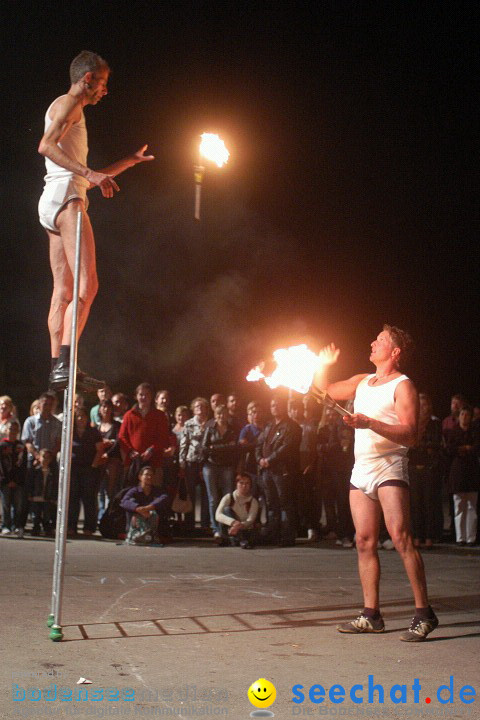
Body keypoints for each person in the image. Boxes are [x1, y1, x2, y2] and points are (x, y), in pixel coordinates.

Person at [313, 325, 438, 641]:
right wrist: (322, 365)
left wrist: (369, 423)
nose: (372, 342)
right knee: (364, 541)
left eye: (380, 340)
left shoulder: (403, 386)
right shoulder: (361, 381)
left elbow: (410, 435)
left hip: (390, 466)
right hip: (362, 470)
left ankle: (424, 613)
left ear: (395, 352)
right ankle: (371, 615)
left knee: (400, 537)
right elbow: (325, 390)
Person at [38, 50, 154, 389]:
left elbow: (83, 175)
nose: (105, 90)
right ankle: (66, 361)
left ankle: (57, 368)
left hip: (53, 201)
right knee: (87, 287)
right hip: (68, 200)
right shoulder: (69, 104)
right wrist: (91, 174)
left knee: (63, 291)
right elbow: (46, 145)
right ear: (87, 79)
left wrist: (127, 163)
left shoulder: (67, 109)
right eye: (102, 83)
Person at [255, 395, 302, 546]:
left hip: (282, 470)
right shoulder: (268, 426)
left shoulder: (292, 427)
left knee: (285, 503)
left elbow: (286, 448)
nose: (275, 407)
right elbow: (259, 443)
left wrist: (270, 459)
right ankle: (273, 534)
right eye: (273, 404)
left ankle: (287, 536)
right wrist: (259, 459)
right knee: (271, 503)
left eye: (278, 404)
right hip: (267, 471)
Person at [118, 383, 170, 487]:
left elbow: (163, 438)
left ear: (152, 397)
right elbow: (121, 436)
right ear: (136, 396)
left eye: (147, 395)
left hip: (154, 462)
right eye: (141, 394)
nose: (144, 397)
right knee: (131, 494)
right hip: (133, 463)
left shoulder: (159, 415)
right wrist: (130, 451)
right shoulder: (129, 415)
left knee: (153, 494)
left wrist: (152, 450)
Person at [201, 404, 239, 541]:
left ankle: (227, 526)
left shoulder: (232, 430)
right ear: (215, 416)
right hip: (211, 465)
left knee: (227, 497)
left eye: (224, 414)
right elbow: (204, 448)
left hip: (227, 466)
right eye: (218, 414)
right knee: (213, 499)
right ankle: (216, 528)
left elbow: (234, 448)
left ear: (227, 415)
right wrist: (223, 447)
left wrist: (215, 447)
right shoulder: (210, 429)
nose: (221, 417)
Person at [446, 406, 479, 546]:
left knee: (472, 506)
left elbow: (477, 447)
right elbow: (449, 449)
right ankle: (460, 538)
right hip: (458, 472)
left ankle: (470, 537)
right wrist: (463, 449)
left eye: (467, 415)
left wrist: (468, 449)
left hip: (472, 471)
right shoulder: (454, 432)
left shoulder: (475, 432)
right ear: (459, 417)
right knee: (459, 505)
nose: (465, 417)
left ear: (471, 417)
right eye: (462, 414)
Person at [69, 408, 104, 536]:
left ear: (87, 417)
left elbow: (100, 450)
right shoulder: (70, 432)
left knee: (89, 498)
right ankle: (71, 526)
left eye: (82, 416)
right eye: (77, 417)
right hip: (73, 469)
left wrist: (94, 465)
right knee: (73, 498)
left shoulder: (94, 432)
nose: (80, 419)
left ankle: (89, 527)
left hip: (89, 469)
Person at [120, 466, 170, 544]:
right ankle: (132, 533)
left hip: (151, 521)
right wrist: (138, 508)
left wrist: (149, 508)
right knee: (131, 501)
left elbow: (164, 498)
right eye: (146, 474)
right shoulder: (134, 490)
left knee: (161, 503)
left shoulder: (157, 490)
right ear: (140, 477)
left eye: (151, 475)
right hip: (136, 524)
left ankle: (154, 534)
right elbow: (124, 501)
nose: (149, 477)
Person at [215, 473, 259, 548]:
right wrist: (233, 523)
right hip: (230, 529)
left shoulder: (253, 501)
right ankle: (241, 541)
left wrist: (238, 526)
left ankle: (235, 540)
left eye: (247, 483)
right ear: (236, 484)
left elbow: (250, 520)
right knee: (227, 510)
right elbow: (218, 515)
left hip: (244, 530)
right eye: (241, 483)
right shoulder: (229, 497)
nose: (244, 486)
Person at [21, 393, 62, 468]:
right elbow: (27, 442)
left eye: (50, 405)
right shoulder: (30, 421)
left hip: (51, 460)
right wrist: (38, 456)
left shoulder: (57, 423)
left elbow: (58, 442)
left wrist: (48, 458)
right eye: (45, 404)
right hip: (34, 460)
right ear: (39, 404)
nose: (48, 407)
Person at [25, 448, 58, 536]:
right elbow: (30, 483)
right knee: (36, 514)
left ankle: (47, 528)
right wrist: (30, 494)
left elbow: (55, 485)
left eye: (48, 458)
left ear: (50, 460)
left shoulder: (52, 472)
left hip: (47, 497)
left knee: (47, 514)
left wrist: (54, 497)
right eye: (43, 457)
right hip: (36, 496)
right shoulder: (35, 470)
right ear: (39, 457)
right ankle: (36, 528)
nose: (45, 459)